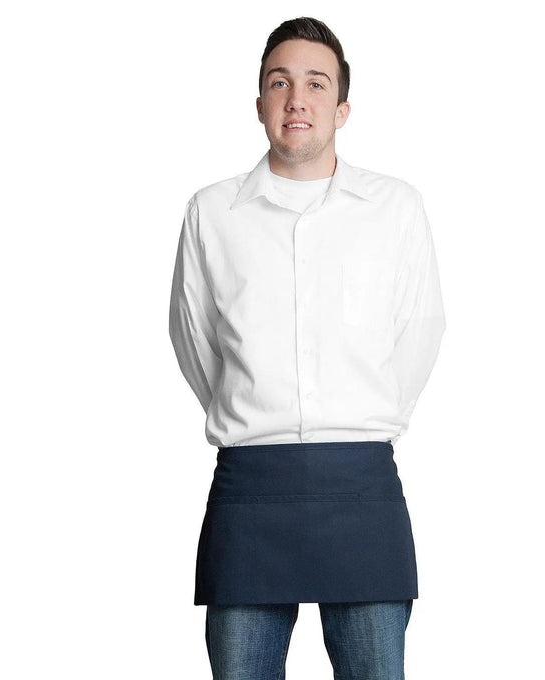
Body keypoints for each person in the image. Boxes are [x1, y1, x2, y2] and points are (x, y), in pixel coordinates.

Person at [169, 16, 446, 680]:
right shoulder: (211, 213)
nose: (297, 99)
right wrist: (249, 407)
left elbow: (419, 333)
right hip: (249, 494)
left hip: (363, 493)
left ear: (342, 108)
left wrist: (362, 414)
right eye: (280, 82)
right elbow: (194, 338)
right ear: (260, 103)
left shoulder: (396, 208)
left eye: (316, 83)